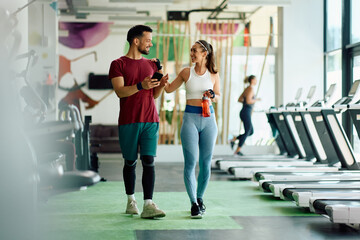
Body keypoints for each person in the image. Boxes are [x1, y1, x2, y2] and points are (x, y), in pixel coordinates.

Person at [108, 25, 168, 219]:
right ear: (136, 41)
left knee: (149, 161)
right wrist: (141, 85)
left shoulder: (150, 65)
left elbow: (154, 94)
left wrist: (161, 84)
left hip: (151, 119)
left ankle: (148, 204)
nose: (151, 43)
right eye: (148, 40)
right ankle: (130, 200)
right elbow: (120, 91)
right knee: (130, 162)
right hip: (129, 120)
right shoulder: (118, 64)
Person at [164, 40, 220, 219]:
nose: (192, 53)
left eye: (195, 51)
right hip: (190, 119)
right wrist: (161, 81)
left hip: (209, 119)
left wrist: (213, 95)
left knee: (205, 163)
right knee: (190, 162)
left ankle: (200, 198)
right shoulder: (186, 72)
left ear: (205, 53)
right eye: (191, 50)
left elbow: (218, 96)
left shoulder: (214, 74)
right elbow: (169, 89)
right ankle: (193, 203)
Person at [230, 75, 260, 155]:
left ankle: (234, 140)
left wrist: (247, 102)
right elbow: (248, 101)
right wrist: (256, 100)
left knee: (250, 131)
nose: (256, 81)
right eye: (256, 79)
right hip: (246, 112)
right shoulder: (250, 89)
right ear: (253, 80)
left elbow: (240, 99)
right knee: (248, 131)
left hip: (245, 111)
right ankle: (237, 150)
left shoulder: (247, 88)